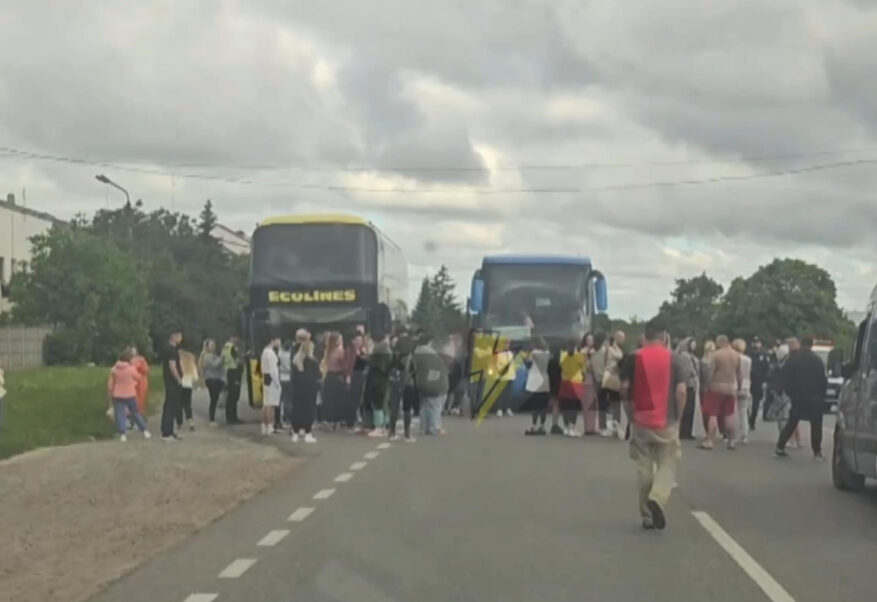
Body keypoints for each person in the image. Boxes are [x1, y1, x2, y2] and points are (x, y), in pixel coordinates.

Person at [621, 318, 687, 530]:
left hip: (641, 420)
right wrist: (679, 417)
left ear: (645, 335)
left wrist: (629, 412)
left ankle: (647, 515)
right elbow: (681, 391)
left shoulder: (632, 358)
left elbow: (623, 388)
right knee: (668, 462)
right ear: (664, 335)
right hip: (666, 421)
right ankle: (657, 497)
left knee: (644, 467)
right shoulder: (675, 359)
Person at [775, 336, 828, 459]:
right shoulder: (817, 360)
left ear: (801, 344)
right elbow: (823, 380)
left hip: (797, 396)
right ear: (811, 345)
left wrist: (790, 392)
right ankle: (817, 452)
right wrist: (822, 396)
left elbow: (785, 377)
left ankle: (780, 447)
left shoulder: (793, 359)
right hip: (814, 397)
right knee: (816, 424)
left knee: (792, 422)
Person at [699, 335, 741, 450]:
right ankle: (731, 441)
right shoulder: (736, 355)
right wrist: (739, 388)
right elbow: (739, 374)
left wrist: (707, 386)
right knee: (729, 415)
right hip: (730, 387)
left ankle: (710, 440)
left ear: (720, 342)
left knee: (712, 415)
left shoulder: (716, 355)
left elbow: (710, 372)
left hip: (716, 387)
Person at [108, 347, 151, 442]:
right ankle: (144, 431)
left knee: (120, 414)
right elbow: (138, 377)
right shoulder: (131, 369)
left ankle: (123, 434)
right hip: (130, 393)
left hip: (117, 394)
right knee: (135, 413)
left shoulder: (114, 369)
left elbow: (110, 384)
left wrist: (110, 394)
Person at [413, 332, 449, 436]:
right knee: (435, 405)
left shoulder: (417, 352)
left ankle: (423, 428)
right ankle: (434, 427)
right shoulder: (431, 354)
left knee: (424, 405)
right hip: (433, 382)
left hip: (420, 382)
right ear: (430, 342)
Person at [364, 331, 393, 438]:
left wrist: (368, 351)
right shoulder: (387, 349)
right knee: (383, 403)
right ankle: (385, 426)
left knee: (377, 404)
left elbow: (370, 361)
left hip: (377, 379)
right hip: (384, 379)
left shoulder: (378, 350)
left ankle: (378, 427)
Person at [290, 338, 319, 443]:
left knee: (297, 409)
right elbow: (317, 375)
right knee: (308, 410)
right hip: (309, 389)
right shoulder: (312, 362)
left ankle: (295, 433)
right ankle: (308, 433)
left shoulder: (295, 360)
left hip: (297, 389)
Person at [599, 331, 625, 437]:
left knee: (615, 401)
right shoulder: (608, 348)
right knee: (604, 401)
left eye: (623, 338)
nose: (622, 340)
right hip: (606, 375)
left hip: (614, 376)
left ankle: (615, 424)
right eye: (620, 337)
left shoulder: (617, 349)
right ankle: (603, 426)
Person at [160, 329, 184, 441]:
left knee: (171, 405)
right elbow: (172, 365)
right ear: (174, 336)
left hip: (168, 380)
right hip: (172, 381)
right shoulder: (172, 350)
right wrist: (178, 379)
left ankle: (168, 429)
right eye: (179, 336)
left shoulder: (167, 348)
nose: (181, 338)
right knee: (171, 406)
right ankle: (167, 433)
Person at [558, 340, 585, 437]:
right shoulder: (579, 356)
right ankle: (572, 427)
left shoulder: (563, 355)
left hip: (565, 382)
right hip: (576, 382)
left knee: (566, 405)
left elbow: (561, 365)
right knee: (574, 406)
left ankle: (566, 427)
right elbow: (584, 367)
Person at [321, 332, 347, 430]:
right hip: (338, 376)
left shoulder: (328, 351)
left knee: (329, 399)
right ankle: (337, 421)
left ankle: (327, 420)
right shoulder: (340, 351)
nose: (341, 341)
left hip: (329, 376)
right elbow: (344, 364)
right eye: (340, 339)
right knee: (338, 399)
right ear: (336, 341)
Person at [524, 336, 551, 435]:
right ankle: (542, 426)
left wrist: (525, 357)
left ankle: (534, 426)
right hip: (545, 379)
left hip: (535, 379)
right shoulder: (547, 353)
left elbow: (528, 364)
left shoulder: (534, 353)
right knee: (543, 405)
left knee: (535, 405)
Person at [675, 337, 700, 440]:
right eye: (692, 343)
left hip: (691, 384)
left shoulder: (690, 355)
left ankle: (687, 431)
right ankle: (685, 432)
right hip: (688, 384)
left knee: (690, 409)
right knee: (688, 409)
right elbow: (687, 371)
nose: (694, 345)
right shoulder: (685, 356)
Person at [199, 339, 225, 427]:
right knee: (213, 399)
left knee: (217, 397)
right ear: (207, 347)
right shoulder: (207, 356)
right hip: (211, 379)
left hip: (217, 379)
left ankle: (220, 406)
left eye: (214, 344)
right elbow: (215, 365)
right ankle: (211, 419)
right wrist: (222, 358)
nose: (213, 346)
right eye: (211, 345)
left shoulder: (214, 355)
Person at [748, 337, 771, 431]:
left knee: (756, 403)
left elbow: (768, 369)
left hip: (759, 382)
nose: (756, 345)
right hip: (748, 380)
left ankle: (752, 421)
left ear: (761, 344)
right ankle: (747, 418)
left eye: (757, 343)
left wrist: (765, 381)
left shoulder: (765, 354)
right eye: (754, 342)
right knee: (744, 404)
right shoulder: (748, 353)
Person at [260, 336, 282, 435]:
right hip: (272, 380)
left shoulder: (264, 352)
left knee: (266, 403)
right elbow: (273, 369)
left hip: (266, 378)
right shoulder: (271, 353)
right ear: (272, 341)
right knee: (271, 404)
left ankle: (264, 425)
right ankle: (270, 425)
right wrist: (277, 382)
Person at [732, 339, 752, 444]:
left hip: (735, 385)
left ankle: (733, 436)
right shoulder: (748, 359)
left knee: (733, 412)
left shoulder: (734, 358)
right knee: (744, 412)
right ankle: (745, 436)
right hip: (746, 385)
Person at [581, 332, 600, 435]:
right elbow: (585, 367)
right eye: (588, 340)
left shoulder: (596, 352)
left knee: (595, 404)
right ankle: (587, 428)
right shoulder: (582, 352)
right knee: (587, 404)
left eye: (591, 340)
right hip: (586, 380)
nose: (589, 342)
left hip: (595, 380)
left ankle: (594, 427)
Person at [221, 337, 244, 425]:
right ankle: (233, 418)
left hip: (228, 372)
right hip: (235, 372)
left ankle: (230, 417)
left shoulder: (225, 348)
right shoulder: (233, 348)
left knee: (230, 396)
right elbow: (237, 360)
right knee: (234, 396)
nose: (237, 340)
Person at [176, 348, 198, 432]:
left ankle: (179, 422)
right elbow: (195, 377)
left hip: (180, 384)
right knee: (187, 404)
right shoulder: (190, 362)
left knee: (178, 404)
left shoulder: (179, 361)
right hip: (188, 385)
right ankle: (190, 422)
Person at [130, 346, 150, 418]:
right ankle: (131, 415)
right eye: (131, 351)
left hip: (141, 382)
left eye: (133, 350)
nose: (132, 352)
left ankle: (139, 415)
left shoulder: (141, 359)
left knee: (140, 398)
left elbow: (147, 370)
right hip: (130, 382)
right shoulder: (126, 360)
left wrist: (141, 368)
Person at [278, 339, 293, 430]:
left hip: (281, 377)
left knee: (281, 400)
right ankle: (288, 419)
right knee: (288, 400)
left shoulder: (280, 354)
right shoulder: (290, 356)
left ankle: (281, 418)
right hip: (289, 378)